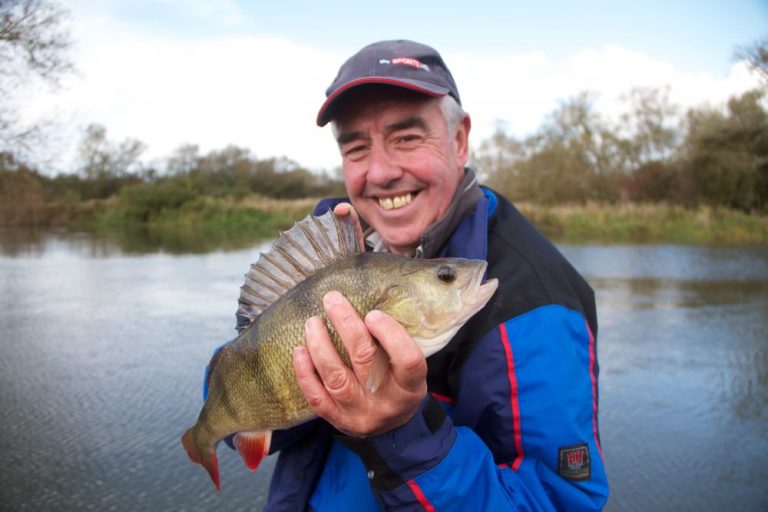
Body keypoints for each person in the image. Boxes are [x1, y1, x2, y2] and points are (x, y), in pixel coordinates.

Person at [262, 39, 608, 510]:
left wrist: (402, 432)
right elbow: (240, 376)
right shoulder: (334, 246)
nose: (380, 173)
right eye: (356, 147)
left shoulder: (537, 306)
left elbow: (558, 500)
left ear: (459, 140)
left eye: (406, 138)